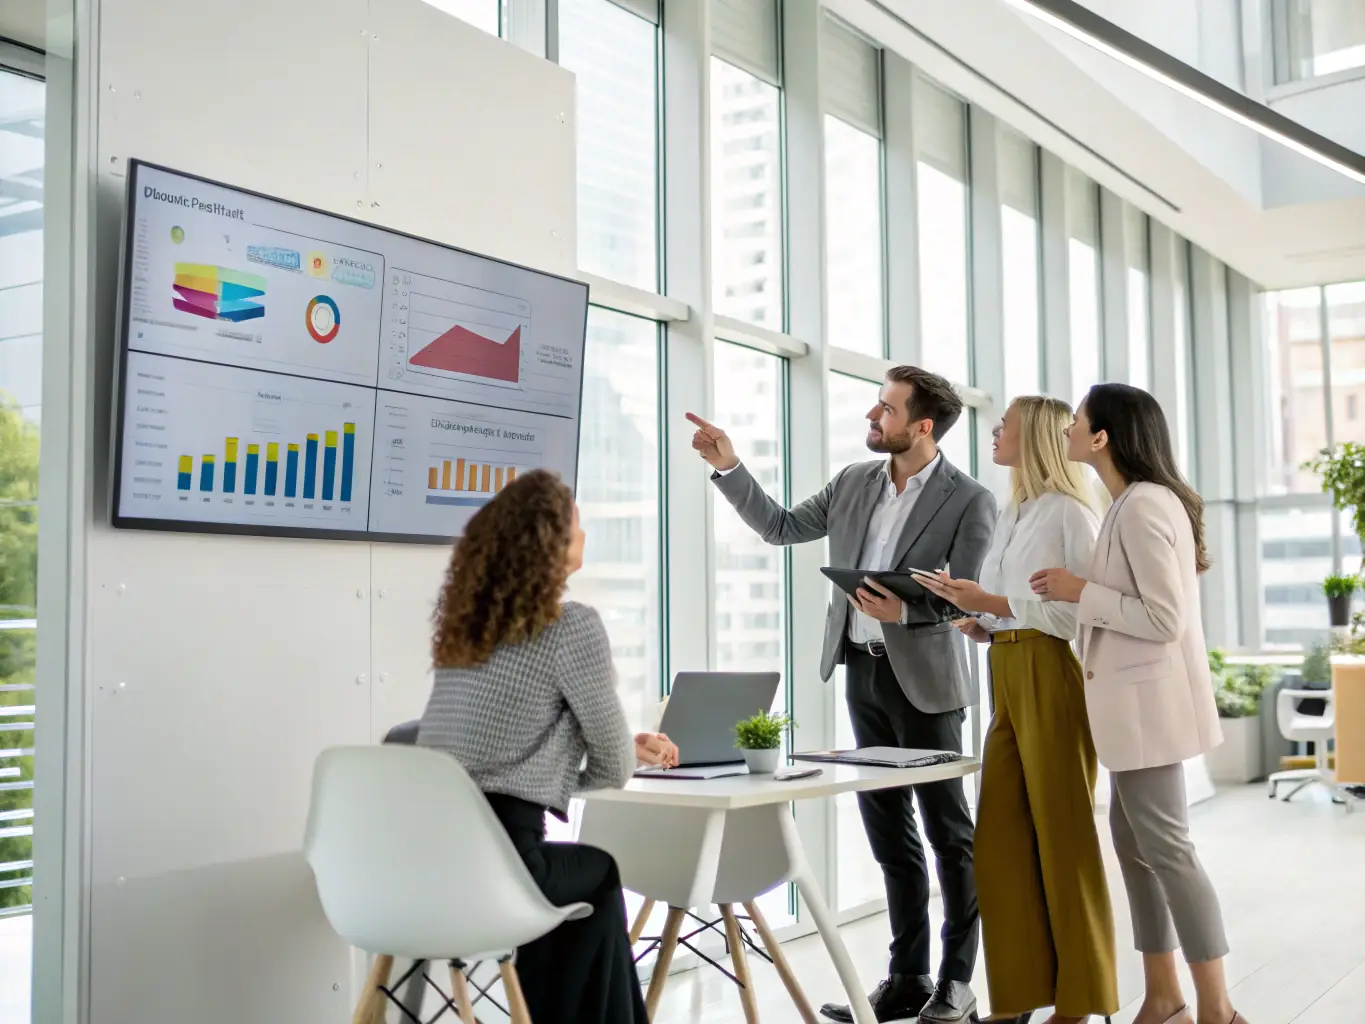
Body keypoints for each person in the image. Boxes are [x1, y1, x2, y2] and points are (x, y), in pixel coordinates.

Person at [688, 364, 997, 1024]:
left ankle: (956, 983)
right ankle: (906, 977)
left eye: (883, 410)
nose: (869, 418)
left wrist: (907, 617)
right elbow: (779, 527)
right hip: (862, 671)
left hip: (929, 684)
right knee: (888, 834)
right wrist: (729, 466)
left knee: (948, 835)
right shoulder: (853, 482)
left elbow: (967, 592)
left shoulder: (969, 499)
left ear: (919, 426)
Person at [415, 468, 678, 1024]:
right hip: (505, 858)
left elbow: (493, 749)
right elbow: (614, 768)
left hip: (423, 858)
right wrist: (597, 760)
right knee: (598, 873)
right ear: (553, 544)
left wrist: (569, 759)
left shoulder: (464, 630)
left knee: (577, 891)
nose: (585, 537)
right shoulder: (569, 626)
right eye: (578, 525)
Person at [1030, 384, 1248, 1024]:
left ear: (1102, 438)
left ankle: (1217, 1008)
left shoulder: (1147, 505)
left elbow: (1163, 618)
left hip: (1150, 711)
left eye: (1077, 422)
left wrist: (1081, 589)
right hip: (1134, 712)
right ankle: (1163, 997)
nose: (1068, 429)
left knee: (1168, 849)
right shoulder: (1128, 502)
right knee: (1135, 843)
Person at [915, 396, 1118, 1024]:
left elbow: (1081, 611)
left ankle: (1079, 1002)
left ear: (1034, 437)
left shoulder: (1070, 513)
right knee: (1000, 840)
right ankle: (1021, 994)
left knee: (1063, 837)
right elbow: (1015, 603)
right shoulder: (1014, 511)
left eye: (1006, 423)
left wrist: (998, 603)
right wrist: (981, 617)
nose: (996, 430)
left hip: (1051, 675)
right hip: (1005, 665)